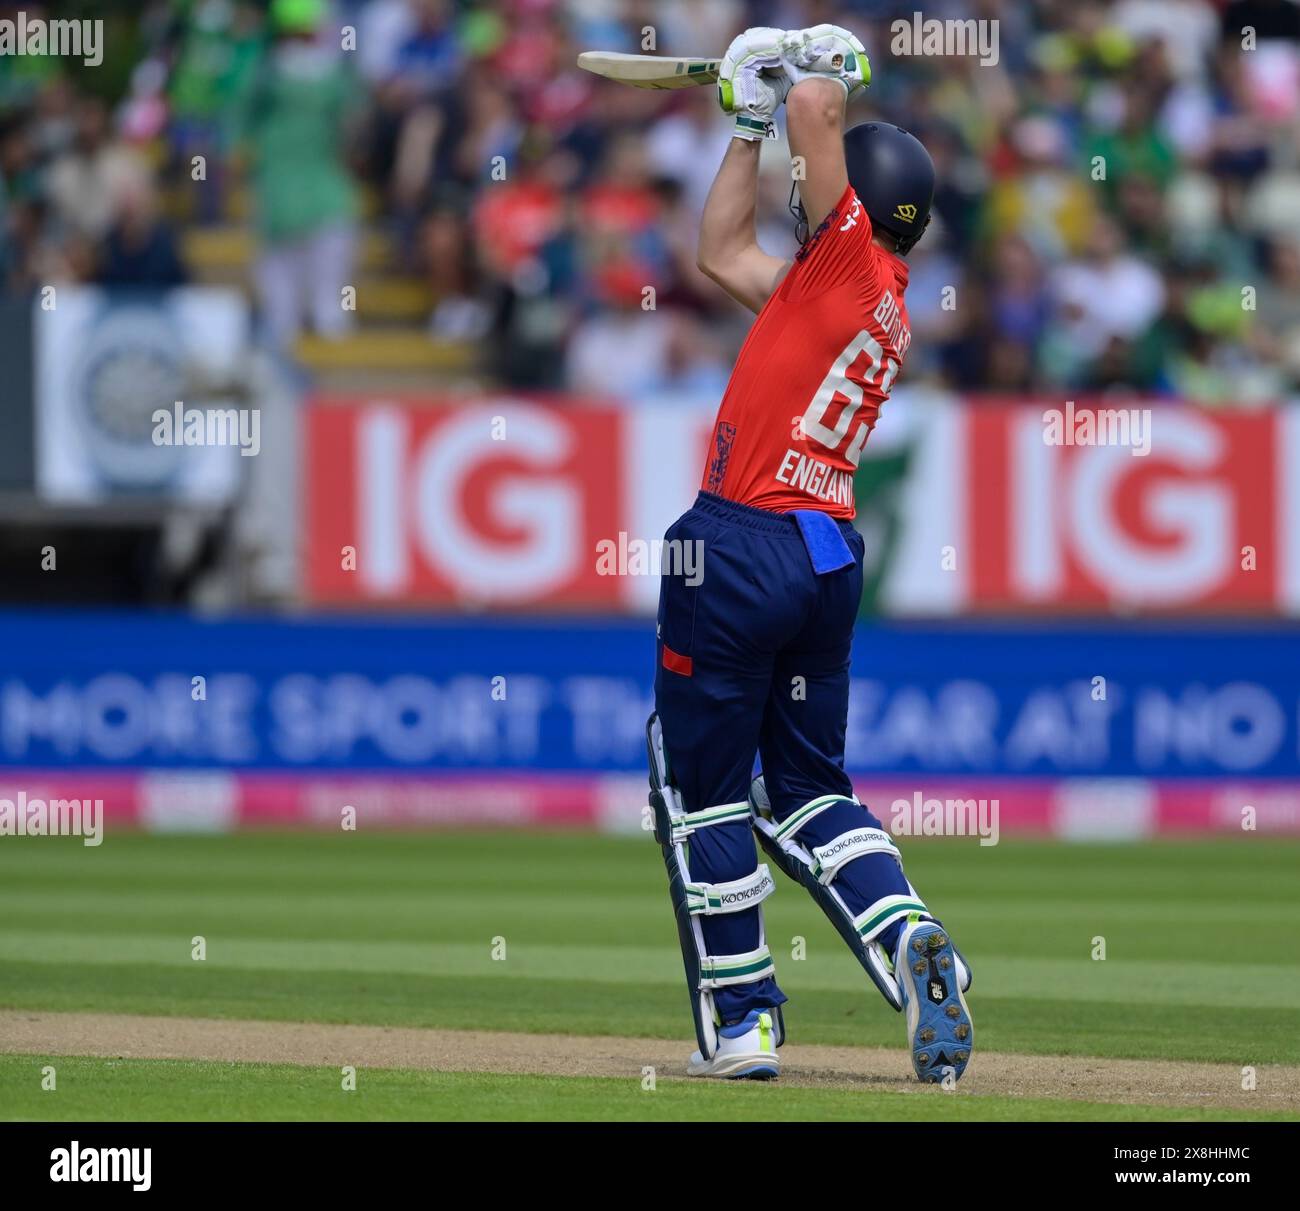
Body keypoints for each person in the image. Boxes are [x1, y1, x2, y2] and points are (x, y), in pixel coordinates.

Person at [646, 25, 974, 1082]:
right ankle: (906, 933)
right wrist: (745, 121)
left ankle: (741, 1024)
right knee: (804, 789)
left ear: (856, 202)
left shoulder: (844, 255)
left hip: (738, 541)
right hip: (825, 556)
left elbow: (819, 112)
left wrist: (807, 60)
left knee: (697, 785)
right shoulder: (868, 304)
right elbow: (719, 253)